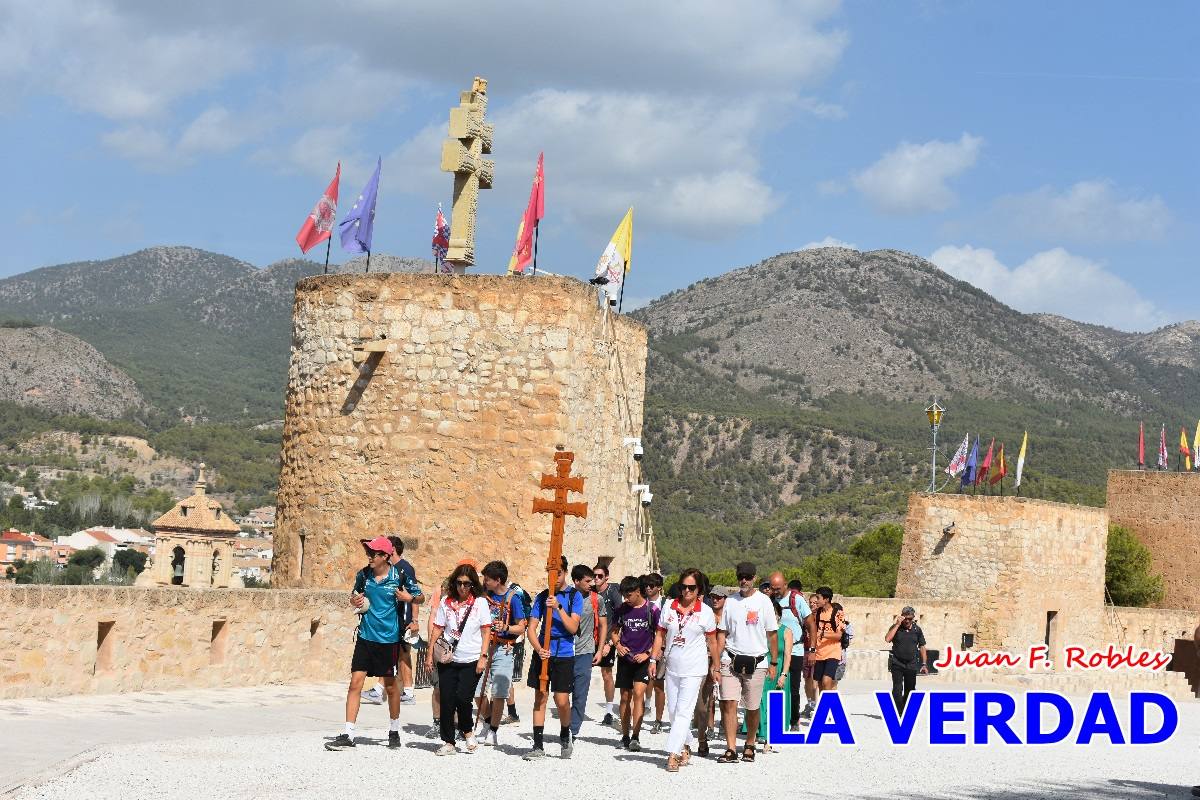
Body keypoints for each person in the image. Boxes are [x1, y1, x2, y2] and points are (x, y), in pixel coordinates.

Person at [325, 536, 422, 751]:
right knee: (355, 684)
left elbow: (420, 597)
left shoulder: (400, 575)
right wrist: (354, 600)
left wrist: (409, 600)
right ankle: (348, 734)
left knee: (390, 686)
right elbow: (354, 594)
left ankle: (394, 730)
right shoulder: (364, 574)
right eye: (368, 553)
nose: (369, 557)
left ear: (385, 556)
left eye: (373, 554)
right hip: (365, 637)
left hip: (388, 640)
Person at [650, 568, 720, 773]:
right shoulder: (669, 607)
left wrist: (715, 667)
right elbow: (660, 635)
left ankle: (673, 753)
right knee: (673, 712)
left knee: (683, 712)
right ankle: (685, 744)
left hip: (694, 667)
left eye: (692, 587)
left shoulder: (705, 612)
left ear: (699, 589)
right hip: (672, 665)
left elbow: (713, 642)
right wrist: (654, 659)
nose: (687, 591)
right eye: (684, 587)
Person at [715, 562, 778, 763]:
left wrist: (774, 662)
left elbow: (772, 634)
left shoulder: (764, 602)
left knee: (752, 707)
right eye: (741, 576)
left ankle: (750, 743)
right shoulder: (730, 602)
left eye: (748, 577)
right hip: (730, 658)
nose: (744, 580)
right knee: (728, 703)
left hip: (757, 661)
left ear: (754, 578)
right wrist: (716, 664)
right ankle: (731, 748)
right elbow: (722, 633)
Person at [426, 562, 491, 755]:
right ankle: (449, 742)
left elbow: (486, 631)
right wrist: (430, 654)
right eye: (460, 583)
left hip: (471, 659)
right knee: (446, 699)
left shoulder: (480, 603)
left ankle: (468, 731)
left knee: (463, 699)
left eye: (467, 584)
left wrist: (483, 656)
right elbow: (437, 628)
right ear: (454, 583)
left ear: (473, 585)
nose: (463, 587)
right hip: (448, 659)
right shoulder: (446, 602)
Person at [524, 555, 583, 760]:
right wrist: (539, 648)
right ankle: (538, 745)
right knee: (540, 697)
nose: (554, 578)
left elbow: (573, 627)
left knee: (561, 700)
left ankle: (565, 734)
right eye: (551, 574)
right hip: (544, 652)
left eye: (558, 573)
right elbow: (531, 628)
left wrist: (557, 607)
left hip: (564, 653)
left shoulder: (575, 596)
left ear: (565, 572)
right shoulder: (541, 597)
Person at [361, 535, 424, 706]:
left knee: (399, 654)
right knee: (399, 655)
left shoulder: (404, 568)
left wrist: (415, 620)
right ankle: (391, 690)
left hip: (403, 619)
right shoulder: (391, 569)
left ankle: (391, 691)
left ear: (392, 550)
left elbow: (415, 595)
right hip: (395, 620)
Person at [473, 560, 527, 747]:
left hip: (504, 648)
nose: (484, 582)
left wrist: (506, 627)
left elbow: (521, 627)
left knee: (499, 692)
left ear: (498, 580)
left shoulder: (514, 599)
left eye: (487, 579)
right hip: (483, 647)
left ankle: (493, 730)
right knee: (477, 690)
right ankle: (488, 722)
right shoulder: (483, 596)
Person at [612, 575, 659, 751]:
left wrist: (648, 654)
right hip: (625, 659)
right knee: (625, 696)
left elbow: (660, 637)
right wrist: (618, 645)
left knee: (639, 693)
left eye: (629, 595)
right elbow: (614, 631)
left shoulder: (652, 610)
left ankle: (635, 736)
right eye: (624, 595)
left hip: (643, 660)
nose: (626, 599)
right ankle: (625, 735)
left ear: (638, 591)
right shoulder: (621, 609)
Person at [569, 564, 608, 742]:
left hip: (585, 651)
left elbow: (603, 625)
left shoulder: (596, 599)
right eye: (587, 580)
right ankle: (565, 724)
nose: (592, 583)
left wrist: (600, 650)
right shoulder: (567, 597)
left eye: (593, 579)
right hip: (565, 651)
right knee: (561, 692)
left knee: (580, 693)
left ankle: (573, 730)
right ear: (576, 581)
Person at [767, 574, 810, 730]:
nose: (775, 591)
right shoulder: (770, 600)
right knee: (772, 685)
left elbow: (810, 622)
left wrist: (811, 649)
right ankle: (773, 719)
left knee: (792, 687)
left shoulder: (796, 599)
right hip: (775, 650)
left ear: (785, 585)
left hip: (796, 649)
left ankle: (793, 720)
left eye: (778, 588)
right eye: (773, 588)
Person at [693, 584, 729, 757]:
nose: (715, 600)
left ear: (725, 599)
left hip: (726, 661)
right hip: (703, 660)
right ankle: (705, 733)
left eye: (719, 597)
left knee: (726, 698)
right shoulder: (705, 614)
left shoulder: (730, 616)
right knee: (703, 701)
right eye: (713, 596)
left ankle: (724, 726)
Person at [754, 599, 792, 752]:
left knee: (776, 705)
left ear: (779, 615)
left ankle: (770, 739)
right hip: (762, 668)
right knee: (761, 703)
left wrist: (784, 674)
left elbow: (788, 656)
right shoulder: (761, 631)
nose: (772, 617)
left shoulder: (786, 631)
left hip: (779, 670)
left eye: (775, 614)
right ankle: (762, 733)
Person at [593, 563, 623, 726]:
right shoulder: (590, 592)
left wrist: (610, 643)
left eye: (600, 576)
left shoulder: (613, 592)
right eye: (594, 576)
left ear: (606, 577)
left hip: (607, 639)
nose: (596, 579)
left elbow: (619, 619)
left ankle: (609, 711)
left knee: (606, 674)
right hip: (591, 639)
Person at [885, 606, 928, 712]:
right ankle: (898, 712)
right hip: (897, 663)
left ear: (913, 617)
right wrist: (897, 624)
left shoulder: (917, 630)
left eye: (910, 618)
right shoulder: (896, 627)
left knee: (910, 690)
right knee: (897, 689)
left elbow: (922, 646)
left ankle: (905, 709)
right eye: (905, 618)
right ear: (902, 617)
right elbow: (887, 639)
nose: (907, 621)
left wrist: (924, 664)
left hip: (911, 664)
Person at [805, 586, 844, 696]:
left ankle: (827, 708)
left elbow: (839, 636)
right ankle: (824, 708)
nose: (816, 600)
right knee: (820, 684)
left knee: (827, 681)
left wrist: (823, 634)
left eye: (818, 597)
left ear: (826, 599)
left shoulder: (837, 613)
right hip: (819, 653)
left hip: (833, 652)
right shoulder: (816, 614)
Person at [642, 572, 667, 732]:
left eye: (651, 586)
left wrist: (660, 649)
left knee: (659, 685)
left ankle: (658, 720)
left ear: (659, 587)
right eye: (646, 585)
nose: (648, 588)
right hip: (643, 647)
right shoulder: (642, 603)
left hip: (662, 649)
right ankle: (644, 707)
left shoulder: (666, 604)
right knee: (641, 682)